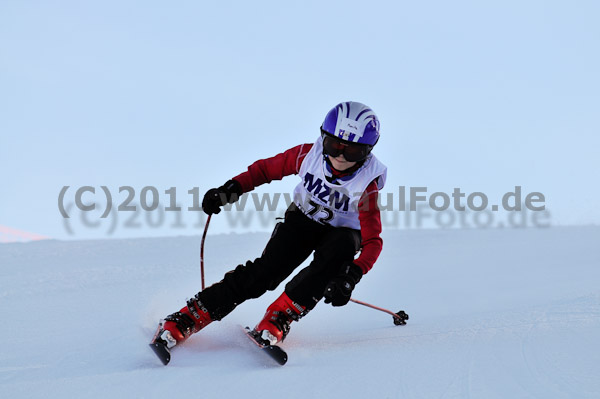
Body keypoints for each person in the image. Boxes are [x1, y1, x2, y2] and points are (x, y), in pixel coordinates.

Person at [155, 101, 387, 348]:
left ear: (367, 152)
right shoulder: (307, 155)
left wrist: (352, 275)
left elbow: (373, 242)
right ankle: (190, 316)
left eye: (352, 152)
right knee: (266, 272)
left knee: (339, 250)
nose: (340, 156)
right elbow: (266, 170)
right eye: (334, 145)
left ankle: (280, 316)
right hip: (302, 221)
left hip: (340, 235)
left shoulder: (366, 185)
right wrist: (231, 188)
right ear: (324, 138)